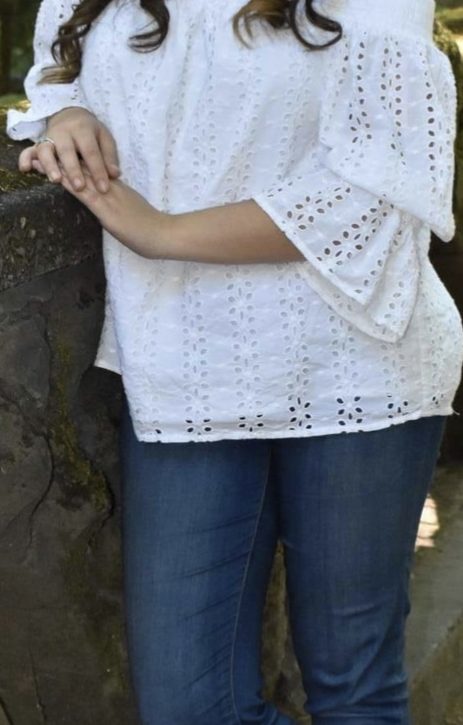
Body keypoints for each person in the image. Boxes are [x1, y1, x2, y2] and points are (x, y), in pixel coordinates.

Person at [6, 0, 463, 722]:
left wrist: (162, 233)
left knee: (354, 690)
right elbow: (58, 67)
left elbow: (375, 188)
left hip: (357, 361)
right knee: (188, 706)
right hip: (179, 364)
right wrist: (66, 115)